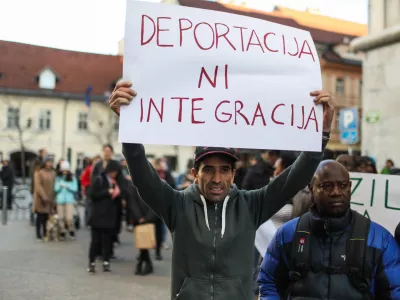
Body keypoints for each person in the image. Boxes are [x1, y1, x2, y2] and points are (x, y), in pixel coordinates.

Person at [109, 81, 334, 300]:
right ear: (194, 174)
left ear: (233, 174)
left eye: (225, 170)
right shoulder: (177, 205)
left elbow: (295, 179)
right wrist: (129, 128)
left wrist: (320, 135)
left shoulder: (251, 205)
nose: (217, 178)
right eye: (208, 170)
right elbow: (142, 176)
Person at [258, 160, 400, 300]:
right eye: (327, 186)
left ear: (350, 187)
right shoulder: (287, 235)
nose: (336, 192)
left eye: (343, 185)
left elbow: (394, 290)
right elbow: (268, 284)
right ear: (311, 189)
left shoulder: (379, 239)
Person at [87, 160, 122, 273]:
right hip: (98, 214)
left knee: (107, 241)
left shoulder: (114, 181)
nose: (115, 174)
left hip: (109, 215)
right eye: (114, 172)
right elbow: (93, 195)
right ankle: (91, 263)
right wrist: (108, 192)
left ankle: (106, 261)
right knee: (95, 240)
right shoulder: (99, 179)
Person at [127, 180, 157, 276]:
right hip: (138, 218)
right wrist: (139, 217)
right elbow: (132, 202)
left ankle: (142, 263)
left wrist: (147, 218)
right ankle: (146, 264)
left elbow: (156, 202)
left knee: (146, 241)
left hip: (150, 217)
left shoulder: (153, 184)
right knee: (142, 241)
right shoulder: (133, 184)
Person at [54, 161, 78, 240]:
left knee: (69, 218)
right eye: (63, 170)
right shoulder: (58, 178)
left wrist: (68, 187)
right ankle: (62, 232)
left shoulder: (72, 178)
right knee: (61, 217)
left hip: (69, 200)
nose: (64, 172)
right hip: (60, 200)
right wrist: (60, 186)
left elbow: (75, 189)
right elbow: (55, 189)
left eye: (66, 170)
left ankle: (71, 230)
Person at [33, 158, 56, 241]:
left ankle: (46, 233)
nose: (50, 164)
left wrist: (54, 198)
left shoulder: (53, 173)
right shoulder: (39, 172)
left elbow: (55, 185)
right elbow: (38, 186)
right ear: (45, 163)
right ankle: (38, 234)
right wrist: (44, 196)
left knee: (47, 217)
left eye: (51, 162)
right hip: (41, 198)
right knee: (40, 216)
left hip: (50, 197)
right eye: (49, 162)